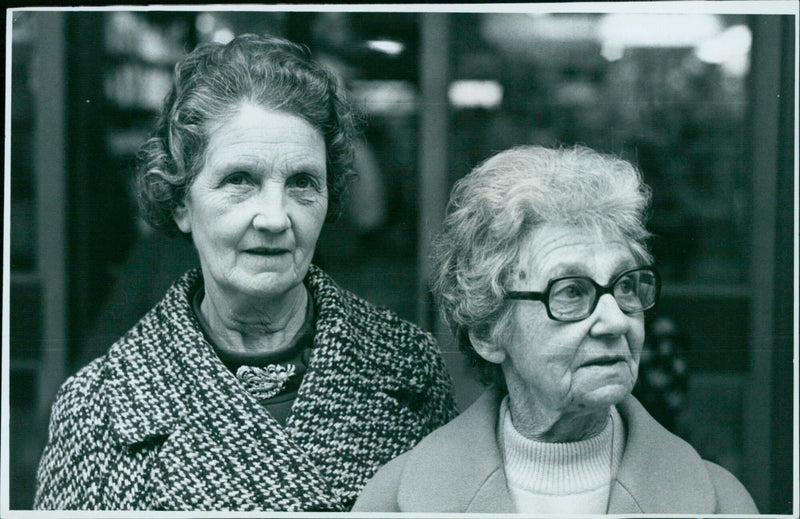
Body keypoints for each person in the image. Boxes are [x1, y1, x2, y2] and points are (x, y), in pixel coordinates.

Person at [34, 34, 457, 511]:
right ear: (180, 202)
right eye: (240, 180)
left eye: (302, 183)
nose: (275, 218)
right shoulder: (97, 409)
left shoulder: (409, 367)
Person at [354, 145, 757, 514]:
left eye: (625, 285)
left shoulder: (723, 504)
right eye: (570, 292)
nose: (616, 321)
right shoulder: (394, 502)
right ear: (489, 331)